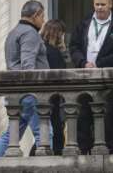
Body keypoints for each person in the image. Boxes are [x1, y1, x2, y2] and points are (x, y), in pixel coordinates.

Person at [69, 0, 113, 154]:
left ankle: (108, 151)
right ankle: (83, 152)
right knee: (83, 117)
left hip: (107, 80)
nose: (100, 7)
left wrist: (99, 64)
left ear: (110, 4)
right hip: (85, 78)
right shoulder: (84, 24)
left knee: (108, 117)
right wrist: (82, 63)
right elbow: (73, 46)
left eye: (103, 4)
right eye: (97, 4)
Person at [0, 0, 52, 156]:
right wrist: (35, 93)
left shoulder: (14, 32)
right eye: (42, 17)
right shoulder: (30, 33)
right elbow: (28, 68)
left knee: (12, 135)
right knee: (45, 135)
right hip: (31, 94)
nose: (43, 21)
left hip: (16, 93)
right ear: (36, 15)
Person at [40, 19, 67, 155]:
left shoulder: (41, 48)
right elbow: (61, 75)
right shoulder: (53, 52)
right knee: (55, 133)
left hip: (43, 97)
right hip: (54, 99)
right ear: (58, 34)